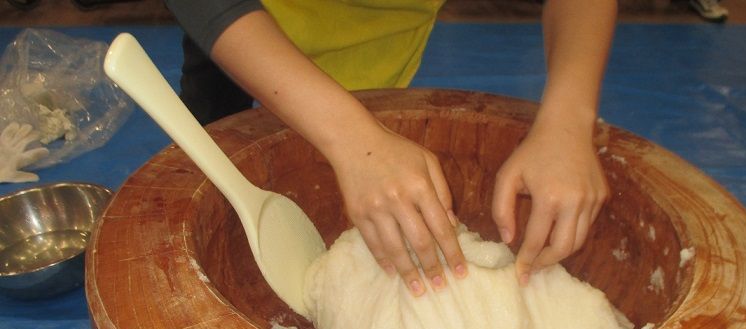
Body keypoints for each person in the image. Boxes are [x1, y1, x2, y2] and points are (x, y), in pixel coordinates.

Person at [166, 0, 617, 297]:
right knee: (203, 195)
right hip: (241, 32)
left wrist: (569, 120)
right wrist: (350, 136)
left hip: (377, 51)